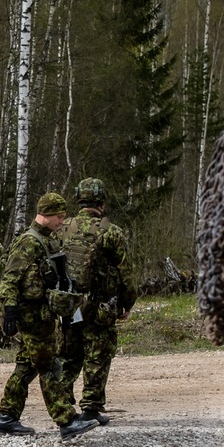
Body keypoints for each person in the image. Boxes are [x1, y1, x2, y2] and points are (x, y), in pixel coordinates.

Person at [0, 192, 99, 441]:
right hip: (31, 317)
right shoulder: (28, 242)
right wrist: (8, 312)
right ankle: (66, 420)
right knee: (50, 367)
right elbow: (10, 278)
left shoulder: (47, 241)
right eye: (59, 217)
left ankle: (7, 418)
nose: (62, 221)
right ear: (47, 214)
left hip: (43, 314)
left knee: (25, 367)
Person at [59, 177, 138, 425]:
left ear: (79, 200)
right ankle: (91, 408)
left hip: (67, 304)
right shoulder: (111, 232)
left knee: (68, 354)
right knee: (98, 354)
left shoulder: (63, 228)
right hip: (99, 306)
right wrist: (127, 303)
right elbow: (126, 270)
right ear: (101, 202)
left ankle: (60, 403)